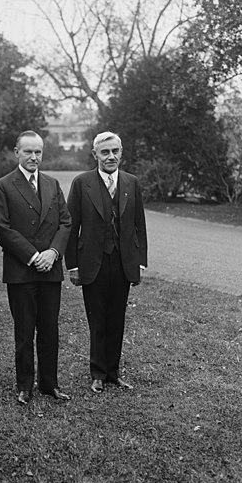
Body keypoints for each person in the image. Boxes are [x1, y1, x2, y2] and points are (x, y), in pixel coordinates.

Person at [0, 130, 72, 405]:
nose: (34, 157)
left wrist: (52, 253)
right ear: (16, 152)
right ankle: (25, 385)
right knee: (24, 331)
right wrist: (33, 256)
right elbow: (2, 229)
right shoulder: (4, 185)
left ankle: (50, 384)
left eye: (38, 152)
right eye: (28, 152)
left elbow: (66, 223)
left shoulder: (52, 184)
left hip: (50, 269)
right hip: (22, 270)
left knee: (50, 329)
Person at [65, 131, 147, 393]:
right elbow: (70, 225)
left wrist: (140, 262)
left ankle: (113, 372)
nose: (110, 157)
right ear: (95, 155)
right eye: (105, 152)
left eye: (115, 151)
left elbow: (139, 225)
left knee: (117, 319)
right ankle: (97, 373)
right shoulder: (82, 183)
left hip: (122, 264)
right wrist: (73, 265)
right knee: (97, 318)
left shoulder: (131, 183)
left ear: (121, 153)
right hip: (92, 263)